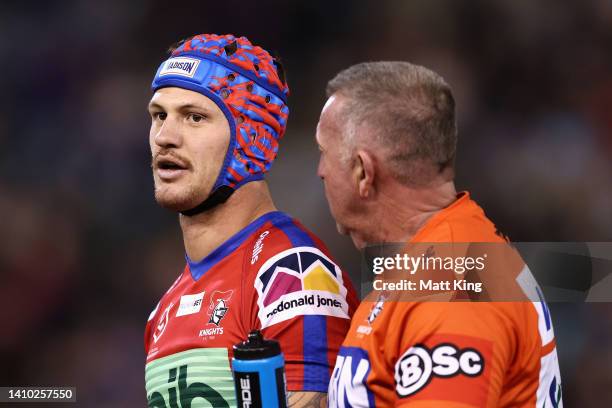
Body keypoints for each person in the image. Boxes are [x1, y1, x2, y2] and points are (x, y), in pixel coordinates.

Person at [316, 62, 563, 407]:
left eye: (324, 153)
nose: (320, 171)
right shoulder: (433, 259)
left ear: (363, 172)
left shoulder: (451, 284)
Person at [143, 33, 359, 408]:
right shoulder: (164, 309)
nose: (165, 137)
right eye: (159, 115)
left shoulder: (293, 273)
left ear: (251, 137)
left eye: (195, 117)